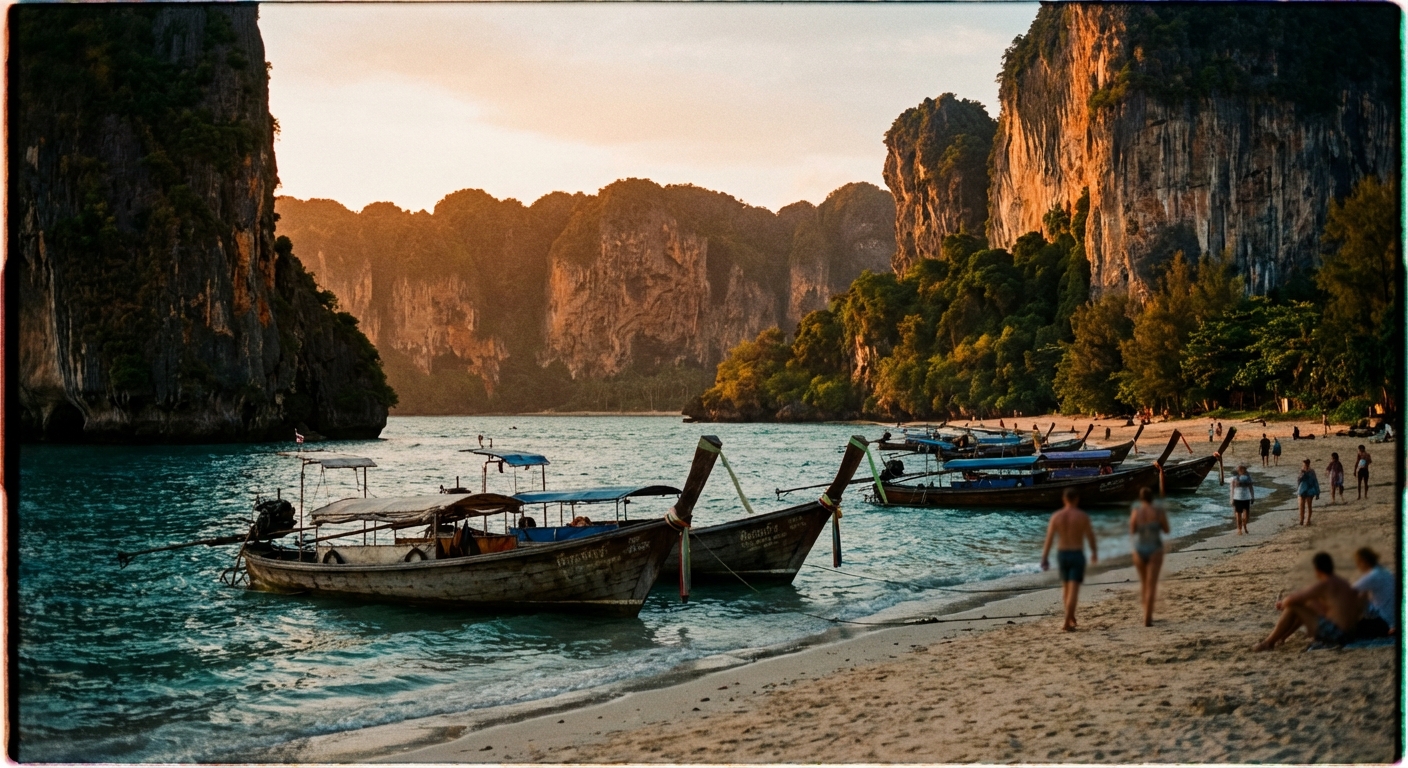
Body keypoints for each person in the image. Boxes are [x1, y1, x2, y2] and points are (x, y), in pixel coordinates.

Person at [1253, 552, 1390, 651]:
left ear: (1318, 570)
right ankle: (1281, 637)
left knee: (1295, 606)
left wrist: (1282, 603)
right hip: (1350, 632)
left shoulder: (1325, 585)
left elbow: (1290, 601)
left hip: (1341, 635)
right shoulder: (1341, 583)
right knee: (1306, 605)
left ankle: (1269, 642)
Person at [1041, 488, 1098, 632]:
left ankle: (1071, 616)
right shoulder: (1081, 516)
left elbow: (1049, 539)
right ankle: (1067, 621)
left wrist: (1045, 558)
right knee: (1073, 590)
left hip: (1062, 554)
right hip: (1076, 554)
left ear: (1064, 500)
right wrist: (1094, 552)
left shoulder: (1056, 516)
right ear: (1076, 499)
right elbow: (1090, 536)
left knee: (1066, 588)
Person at [1129, 487, 1170, 626]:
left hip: (1139, 548)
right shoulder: (1158, 511)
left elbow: (1132, 530)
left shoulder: (1136, 512)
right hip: (1155, 548)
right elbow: (1166, 530)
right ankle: (1148, 618)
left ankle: (1145, 612)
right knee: (1152, 585)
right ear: (1152, 498)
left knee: (1144, 583)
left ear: (1140, 499)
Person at [1353, 548, 1397, 634]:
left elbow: (1349, 591)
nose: (1358, 566)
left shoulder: (1373, 576)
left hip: (1384, 622)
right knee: (1362, 594)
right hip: (1392, 618)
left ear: (1364, 562)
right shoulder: (1385, 572)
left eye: (1358, 563)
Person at [1230, 464, 1254, 534]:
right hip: (1237, 498)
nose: (1243, 471)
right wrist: (1231, 499)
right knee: (1238, 515)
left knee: (1246, 516)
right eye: (1241, 470)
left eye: (1244, 470)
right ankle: (1239, 529)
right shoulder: (1234, 479)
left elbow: (1251, 488)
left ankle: (1245, 524)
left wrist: (1252, 497)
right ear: (1238, 471)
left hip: (1246, 498)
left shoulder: (1248, 478)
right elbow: (1232, 490)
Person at [1296, 459, 1320, 526]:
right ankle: (1301, 520)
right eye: (1303, 464)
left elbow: (1315, 481)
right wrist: (1303, 473)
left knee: (1309, 506)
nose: (1304, 466)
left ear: (1308, 464)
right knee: (1301, 506)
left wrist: (1317, 492)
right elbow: (1298, 480)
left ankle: (1308, 520)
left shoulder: (1312, 472)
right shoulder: (1301, 471)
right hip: (1301, 490)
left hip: (1310, 490)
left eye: (1305, 464)